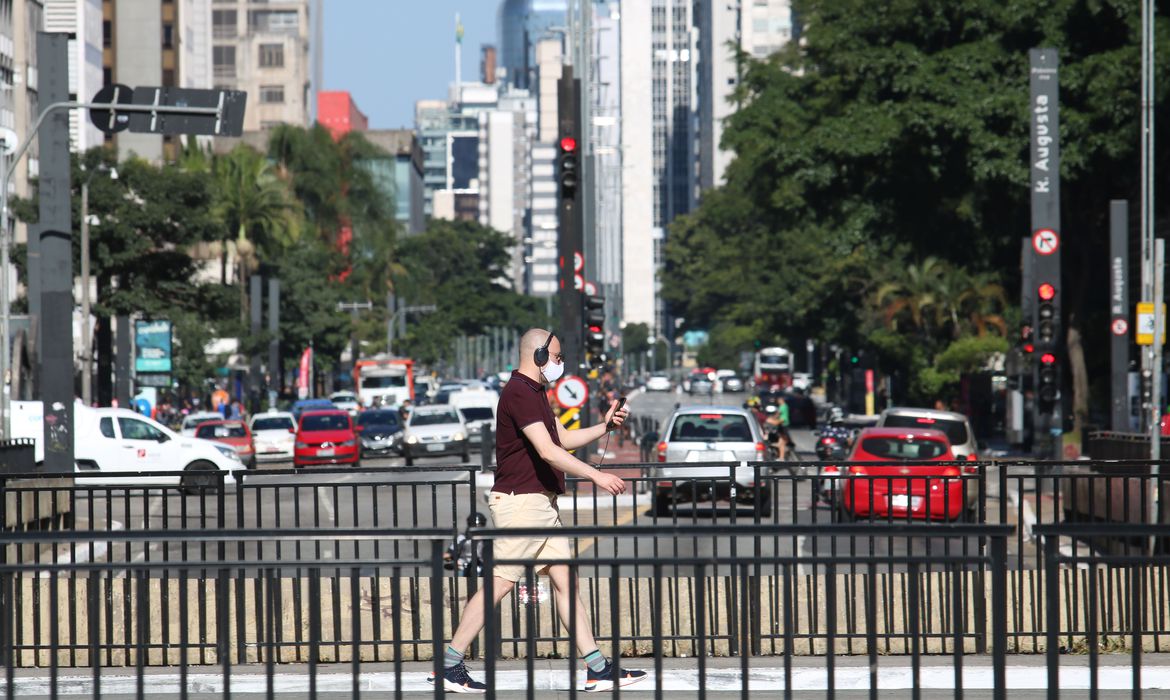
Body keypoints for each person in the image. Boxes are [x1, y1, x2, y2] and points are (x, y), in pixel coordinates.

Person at [430, 329, 647, 694]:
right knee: (500, 583)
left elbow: (562, 439)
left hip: (541, 503)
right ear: (541, 356)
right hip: (523, 504)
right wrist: (596, 475)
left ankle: (598, 669)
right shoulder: (519, 393)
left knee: (565, 582)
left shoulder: (535, 393)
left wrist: (605, 426)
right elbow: (548, 451)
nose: (561, 364)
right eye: (558, 357)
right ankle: (450, 665)